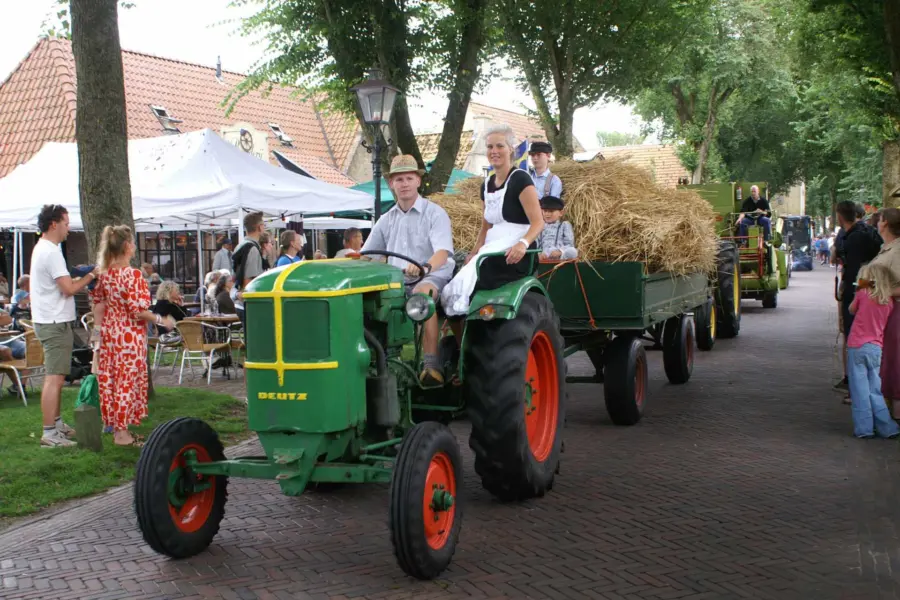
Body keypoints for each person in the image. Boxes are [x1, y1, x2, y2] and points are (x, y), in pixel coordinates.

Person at [361, 154, 455, 385]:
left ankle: (431, 365)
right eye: (399, 179)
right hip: (397, 280)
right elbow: (367, 256)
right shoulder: (386, 219)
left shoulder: (434, 213)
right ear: (391, 184)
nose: (404, 184)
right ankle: (374, 360)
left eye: (409, 178)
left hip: (432, 274)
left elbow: (442, 253)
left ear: (418, 182)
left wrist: (424, 266)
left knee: (422, 295)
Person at [441, 123, 544, 321]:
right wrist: (473, 252)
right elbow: (486, 225)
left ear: (510, 149)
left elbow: (538, 222)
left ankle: (485, 328)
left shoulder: (520, 179)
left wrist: (522, 244)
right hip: (493, 245)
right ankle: (462, 339)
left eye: (499, 146)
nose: (494, 151)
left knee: (480, 274)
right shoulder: (486, 185)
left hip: (517, 249)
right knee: (460, 276)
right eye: (490, 147)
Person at [91, 225, 175, 446]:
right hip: (129, 335)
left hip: (110, 333)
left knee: (112, 380)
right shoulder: (133, 275)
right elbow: (137, 310)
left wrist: (96, 338)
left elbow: (98, 306)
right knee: (127, 381)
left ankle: (115, 425)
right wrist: (161, 320)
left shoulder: (104, 274)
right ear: (128, 246)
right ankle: (121, 433)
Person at [30, 205, 98, 447]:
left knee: (56, 376)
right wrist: (92, 275)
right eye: (66, 223)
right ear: (54, 224)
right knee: (54, 378)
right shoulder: (50, 252)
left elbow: (64, 283)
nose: (69, 228)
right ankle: (49, 433)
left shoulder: (45, 249)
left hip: (51, 320)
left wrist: (81, 275)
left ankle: (56, 424)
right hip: (54, 322)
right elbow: (68, 289)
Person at [832, 201, 883, 394]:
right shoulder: (867, 232)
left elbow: (854, 273)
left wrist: (858, 292)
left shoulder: (852, 238)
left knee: (852, 335)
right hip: (870, 289)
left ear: (840, 217)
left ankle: (856, 384)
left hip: (858, 292)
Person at [846, 263, 900, 439]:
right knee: (875, 389)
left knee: (859, 390)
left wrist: (857, 292)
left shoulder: (862, 294)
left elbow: (851, 310)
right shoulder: (889, 301)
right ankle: (887, 428)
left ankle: (864, 428)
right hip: (876, 346)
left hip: (857, 346)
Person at [871, 208, 900, 417]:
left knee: (894, 358)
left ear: (886, 224)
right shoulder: (886, 248)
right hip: (882, 312)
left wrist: (883, 291)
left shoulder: (897, 251)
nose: (877, 222)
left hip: (894, 311)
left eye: (879, 219)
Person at [232, 211, 266, 328]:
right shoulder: (252, 249)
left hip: (240, 302)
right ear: (259, 227)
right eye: (264, 225)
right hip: (248, 304)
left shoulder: (240, 246)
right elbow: (249, 280)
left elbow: (234, 276)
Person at [536, 195, 578, 260]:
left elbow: (569, 244)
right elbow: (536, 243)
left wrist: (560, 251)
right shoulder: (539, 226)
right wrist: (539, 254)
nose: (547, 214)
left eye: (551, 211)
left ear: (561, 213)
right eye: (545, 211)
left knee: (573, 251)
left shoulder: (564, 225)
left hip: (559, 256)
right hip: (543, 255)